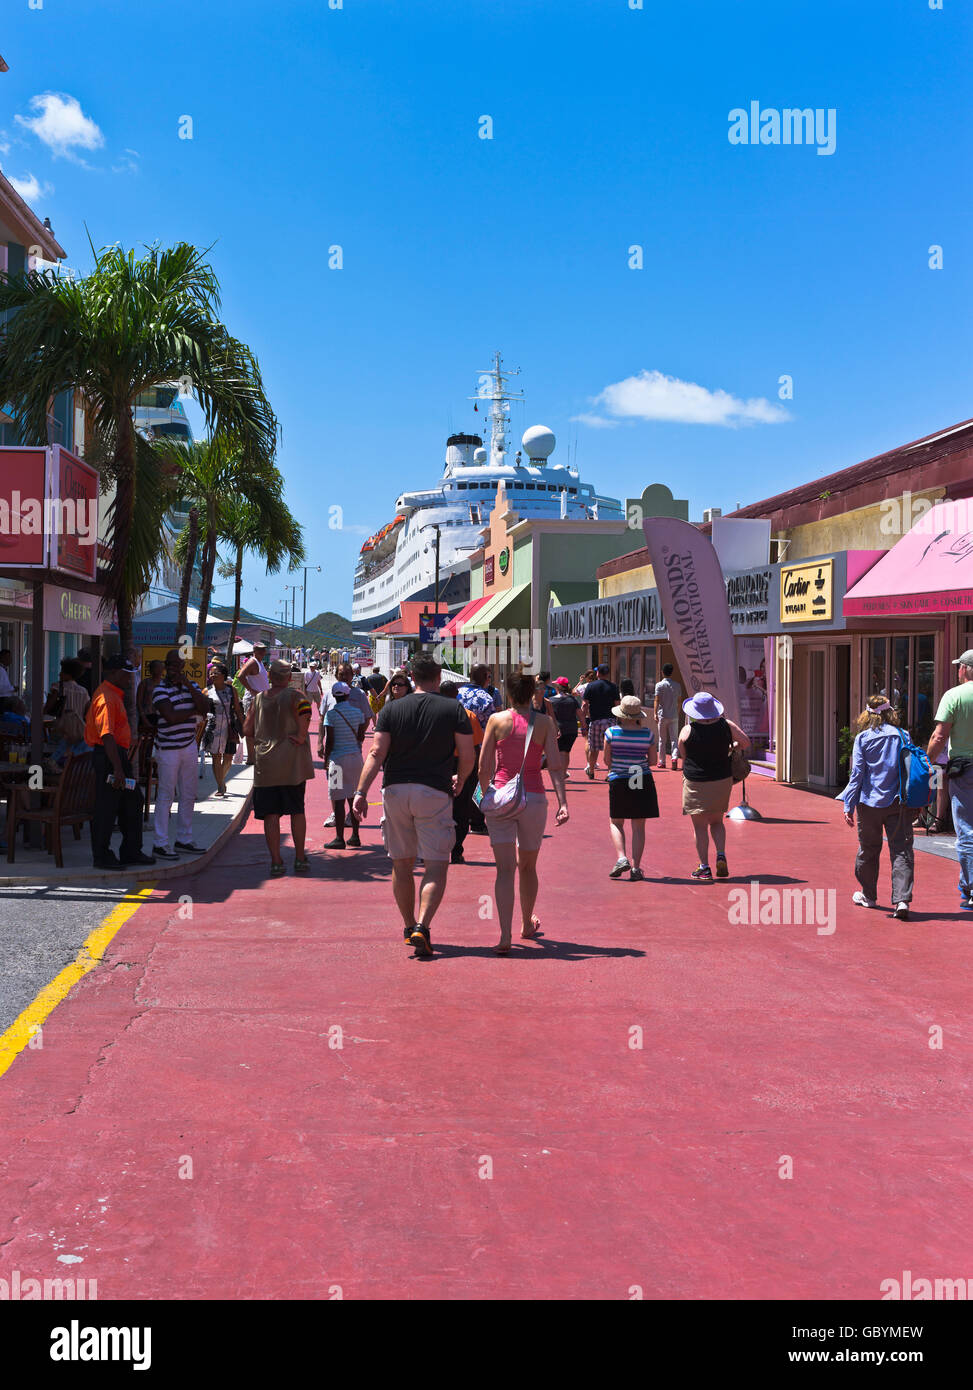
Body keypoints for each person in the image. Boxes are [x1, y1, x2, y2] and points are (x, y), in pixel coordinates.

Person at [352, 651, 474, 958]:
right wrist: (462, 777)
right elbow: (467, 753)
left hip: (394, 790)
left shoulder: (392, 709)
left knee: (401, 862)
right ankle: (423, 925)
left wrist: (360, 792)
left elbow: (376, 753)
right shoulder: (453, 708)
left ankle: (408, 926)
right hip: (434, 791)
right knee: (436, 864)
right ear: (437, 678)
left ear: (412, 678)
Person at [478, 669, 568, 953]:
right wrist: (564, 802)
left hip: (502, 797)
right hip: (533, 798)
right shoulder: (544, 723)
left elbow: (484, 767)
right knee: (528, 866)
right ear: (533, 693)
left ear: (508, 693)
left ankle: (505, 936)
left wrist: (484, 797)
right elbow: (554, 765)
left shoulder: (496, 720)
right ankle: (527, 924)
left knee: (504, 870)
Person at [841, 694, 914, 919]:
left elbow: (857, 774)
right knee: (901, 850)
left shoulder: (863, 738)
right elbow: (911, 771)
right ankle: (902, 901)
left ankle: (869, 895)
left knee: (869, 849)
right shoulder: (903, 735)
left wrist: (848, 804)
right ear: (890, 712)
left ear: (868, 714)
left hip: (869, 803)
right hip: (897, 802)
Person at [244, 659, 315, 875]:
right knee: (296, 810)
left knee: (270, 814)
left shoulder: (258, 699)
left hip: (266, 765)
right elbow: (305, 712)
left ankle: (276, 861)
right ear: (288, 678)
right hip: (291, 763)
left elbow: (247, 729)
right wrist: (302, 735)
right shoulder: (296, 696)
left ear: (271, 677)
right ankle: (300, 858)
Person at [85, 654, 154, 869]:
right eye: (126, 674)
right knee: (106, 807)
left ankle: (131, 851)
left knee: (132, 801)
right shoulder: (106, 697)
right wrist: (118, 768)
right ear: (113, 673)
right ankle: (102, 856)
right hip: (109, 758)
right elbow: (106, 735)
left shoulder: (114, 694)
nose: (129, 679)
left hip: (116, 756)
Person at [678, 692, 750, 881]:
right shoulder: (727, 725)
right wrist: (731, 747)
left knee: (699, 826)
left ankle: (704, 867)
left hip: (696, 781)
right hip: (721, 779)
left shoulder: (687, 730)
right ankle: (721, 854)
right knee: (717, 822)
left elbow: (683, 756)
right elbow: (745, 742)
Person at [151, 649, 211, 859]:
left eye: (177, 665)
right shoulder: (159, 690)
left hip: (188, 746)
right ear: (166, 666)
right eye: (170, 665)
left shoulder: (191, 686)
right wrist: (192, 712)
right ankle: (160, 842)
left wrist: (187, 686)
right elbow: (170, 717)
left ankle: (184, 838)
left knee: (188, 794)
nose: (173, 669)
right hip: (168, 749)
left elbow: (205, 708)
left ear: (183, 667)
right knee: (166, 795)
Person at [927, 649, 973, 910]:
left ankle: (970, 887)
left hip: (965, 768)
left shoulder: (953, 696)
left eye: (959, 667)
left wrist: (926, 760)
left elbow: (939, 736)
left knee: (966, 829)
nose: (957, 671)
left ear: (965, 669)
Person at [603, 694, 658, 881]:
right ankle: (636, 868)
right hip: (640, 776)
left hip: (619, 777)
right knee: (638, 825)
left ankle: (621, 858)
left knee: (616, 821)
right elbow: (652, 761)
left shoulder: (611, 733)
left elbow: (606, 761)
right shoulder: (648, 734)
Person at [323, 681, 365, 849]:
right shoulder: (358, 713)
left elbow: (330, 741)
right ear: (348, 695)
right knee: (354, 797)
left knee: (338, 800)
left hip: (337, 761)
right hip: (356, 759)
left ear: (334, 696)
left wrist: (326, 760)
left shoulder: (331, 715)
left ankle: (339, 838)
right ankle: (355, 836)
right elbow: (361, 736)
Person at [456, 664, 496, 834]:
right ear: (484, 676)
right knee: (479, 783)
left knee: (458, 783)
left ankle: (458, 817)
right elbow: (490, 728)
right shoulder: (485, 698)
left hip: (455, 746)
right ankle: (477, 821)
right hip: (478, 747)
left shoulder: (456, 693)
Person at [205, 660, 245, 797]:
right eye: (211, 673)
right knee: (216, 756)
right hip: (213, 728)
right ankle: (220, 786)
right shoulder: (207, 691)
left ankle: (221, 780)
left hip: (229, 727)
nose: (213, 675)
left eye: (216, 673)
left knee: (228, 758)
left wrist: (243, 725)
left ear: (223, 675)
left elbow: (238, 710)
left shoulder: (230, 690)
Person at [581, 663, 620, 780]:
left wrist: (584, 718)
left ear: (597, 673)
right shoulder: (613, 687)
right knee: (611, 748)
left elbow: (584, 704)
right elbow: (617, 704)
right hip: (610, 720)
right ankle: (609, 772)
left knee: (594, 748)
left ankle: (591, 770)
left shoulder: (591, 686)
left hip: (596, 720)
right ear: (607, 674)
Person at [239, 642, 271, 764]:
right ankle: (252, 758)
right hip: (254, 700)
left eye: (264, 650)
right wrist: (251, 690)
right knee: (251, 730)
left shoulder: (259, 662)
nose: (263, 652)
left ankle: (256, 756)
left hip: (260, 699)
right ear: (255, 650)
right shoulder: (253, 662)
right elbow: (241, 676)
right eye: (260, 650)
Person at [548, 676, 582, 779]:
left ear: (558, 687)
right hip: (571, 729)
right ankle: (563, 772)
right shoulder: (572, 700)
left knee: (559, 752)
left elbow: (547, 715)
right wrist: (584, 726)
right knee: (565, 752)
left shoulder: (551, 701)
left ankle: (560, 773)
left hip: (557, 730)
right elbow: (580, 714)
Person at [654, 663, 683, 771]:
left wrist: (655, 713)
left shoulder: (659, 685)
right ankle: (674, 758)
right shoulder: (677, 685)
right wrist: (678, 711)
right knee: (674, 738)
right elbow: (679, 701)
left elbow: (656, 699)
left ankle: (662, 762)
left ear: (662, 672)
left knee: (662, 739)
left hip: (662, 714)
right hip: (674, 714)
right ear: (672, 672)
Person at [45, 657, 90, 722]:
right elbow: (88, 711)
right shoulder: (83, 691)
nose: (59, 674)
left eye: (62, 671)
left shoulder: (58, 687)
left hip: (61, 727)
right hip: (79, 727)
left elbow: (49, 706)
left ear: (68, 674)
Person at [137, 660, 164, 734]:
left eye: (161, 668)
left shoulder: (165, 683)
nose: (159, 670)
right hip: (147, 716)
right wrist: (144, 718)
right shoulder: (145, 683)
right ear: (151, 669)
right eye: (156, 667)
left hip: (161, 716)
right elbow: (139, 702)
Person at [304, 662, 324, 730]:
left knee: (318, 703)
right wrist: (305, 690)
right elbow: (305, 682)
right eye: (310, 666)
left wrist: (321, 689)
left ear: (315, 667)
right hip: (309, 690)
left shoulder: (317, 673)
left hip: (316, 690)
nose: (311, 667)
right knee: (309, 704)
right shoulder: (306, 673)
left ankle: (320, 715)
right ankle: (308, 716)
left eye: (313, 666)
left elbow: (318, 681)